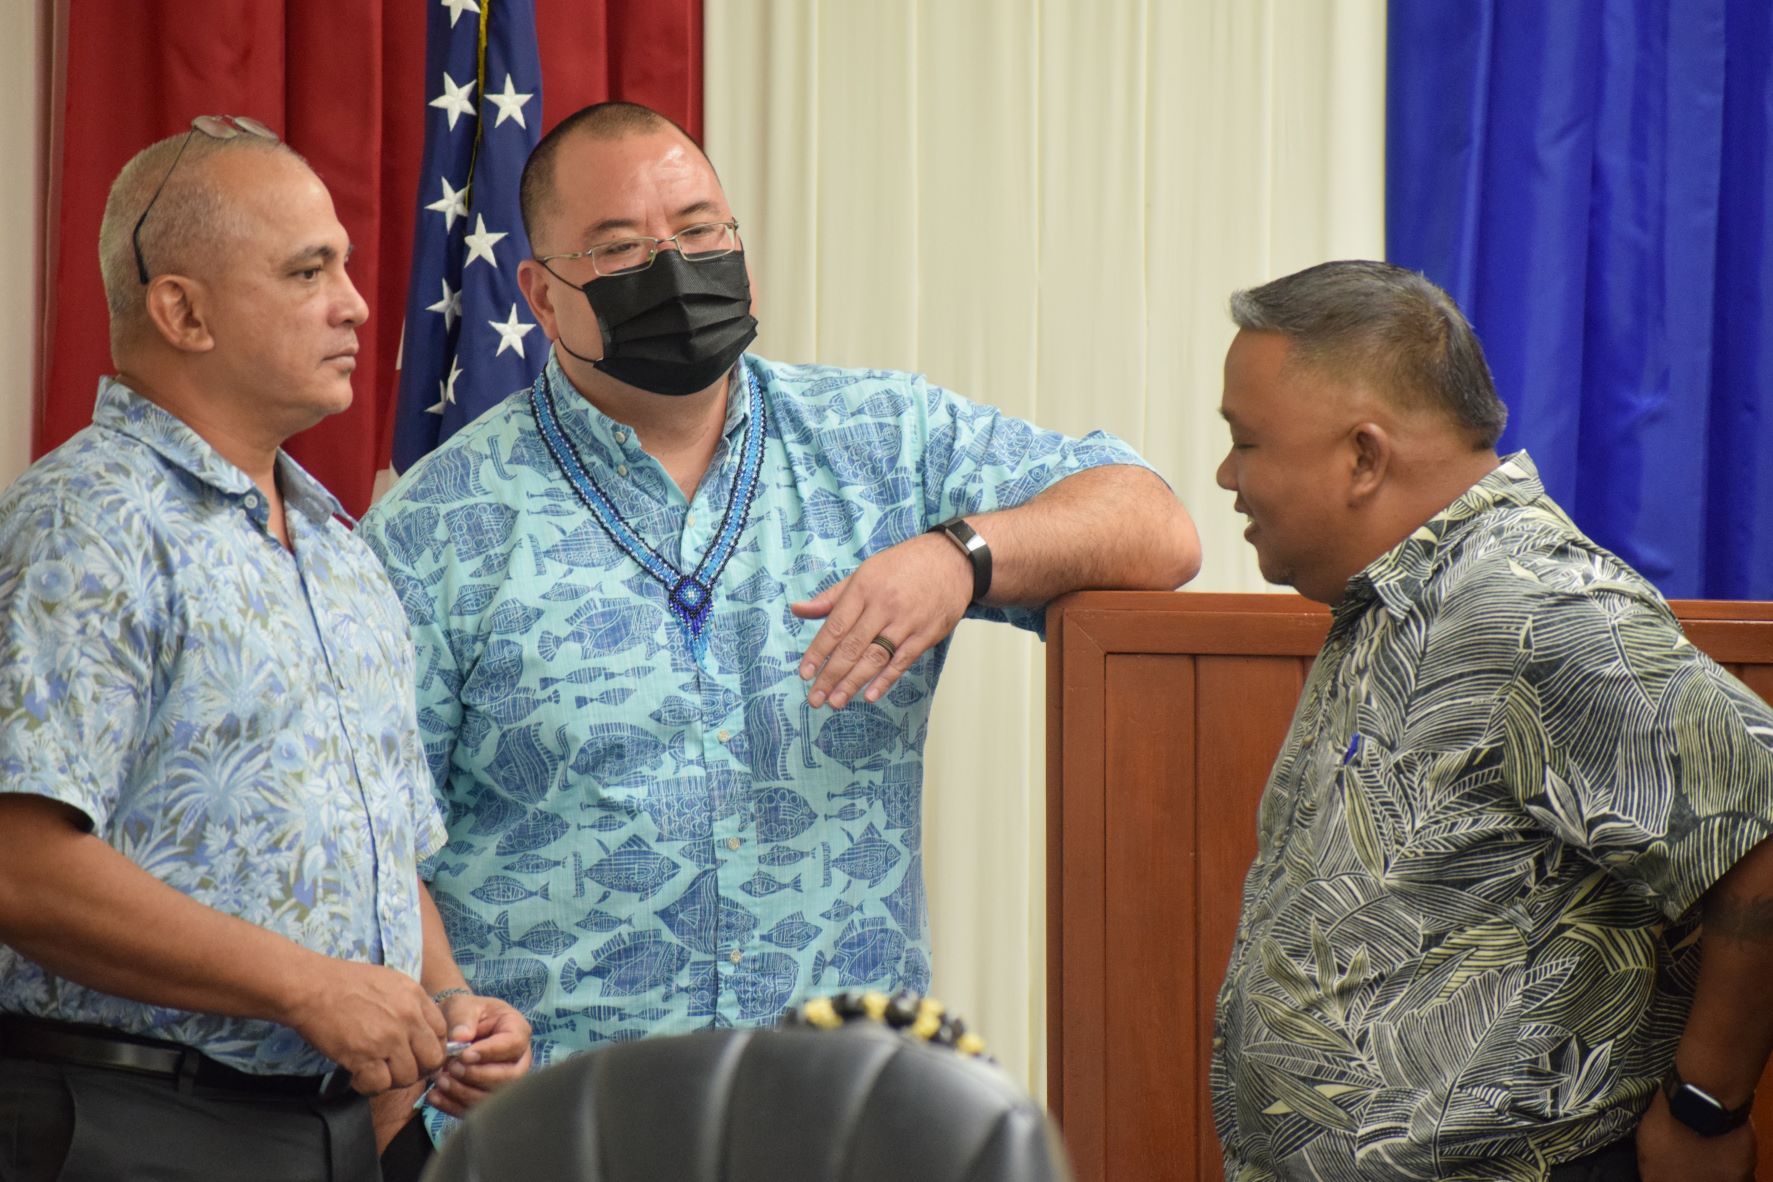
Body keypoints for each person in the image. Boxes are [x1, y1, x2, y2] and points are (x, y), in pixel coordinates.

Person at [357, 101, 1201, 1063]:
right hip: (557, 1122)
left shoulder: (883, 443)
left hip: (841, 1113)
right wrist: (452, 1014)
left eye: (699, 229)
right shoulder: (433, 529)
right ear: (542, 297)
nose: (674, 268)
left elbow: (1155, 524)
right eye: (620, 249)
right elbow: (374, 842)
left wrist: (956, 555)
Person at [0, 117, 530, 1182]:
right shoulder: (85, 523)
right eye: (307, 271)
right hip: (125, 1121)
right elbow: (19, 863)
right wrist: (304, 985)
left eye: (343, 263)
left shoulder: (338, 549)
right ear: (181, 310)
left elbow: (382, 847)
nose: (357, 304)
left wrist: (447, 1002)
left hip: (336, 1132)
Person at [1210, 259, 1773, 1182]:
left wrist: (1705, 1111)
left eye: (1247, 441)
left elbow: (1761, 823)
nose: (1227, 474)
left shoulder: (1533, 603)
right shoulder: (1398, 600)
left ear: (1362, 455)